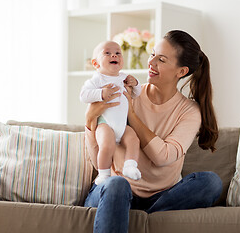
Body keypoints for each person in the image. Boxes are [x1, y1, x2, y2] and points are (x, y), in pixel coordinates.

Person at [84, 30, 223, 233]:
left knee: (211, 182)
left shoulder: (189, 111)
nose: (151, 63)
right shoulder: (126, 91)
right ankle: (133, 214)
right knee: (116, 184)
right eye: (152, 55)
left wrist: (131, 113)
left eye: (162, 59)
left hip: (161, 197)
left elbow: (162, 157)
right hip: (116, 192)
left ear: (181, 71)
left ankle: (140, 217)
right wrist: (89, 121)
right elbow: (98, 161)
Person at [80, 41, 142, 184]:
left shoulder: (124, 77)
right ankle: (103, 174)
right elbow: (83, 95)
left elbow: (136, 94)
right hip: (104, 123)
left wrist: (136, 84)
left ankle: (130, 166)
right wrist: (101, 93)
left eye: (118, 53)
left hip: (122, 124)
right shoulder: (97, 79)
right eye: (107, 53)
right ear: (96, 64)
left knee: (134, 140)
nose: (114, 55)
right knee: (107, 145)